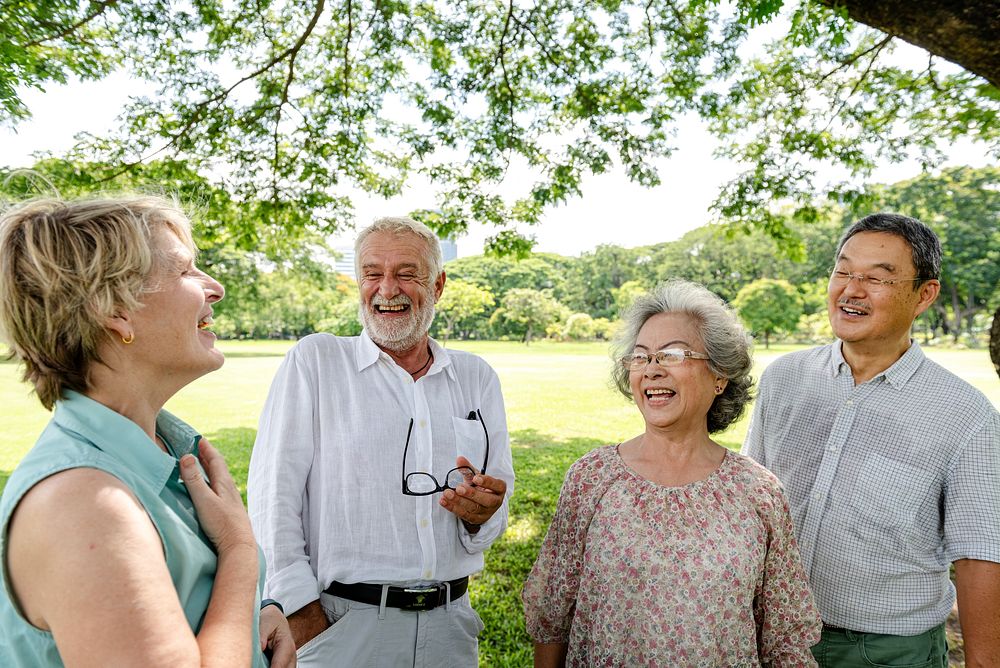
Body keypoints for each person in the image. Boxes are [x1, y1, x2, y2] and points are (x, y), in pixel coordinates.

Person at [0, 196, 295, 667]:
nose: (214, 287)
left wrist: (258, 611)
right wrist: (239, 552)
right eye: (185, 272)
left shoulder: (163, 453)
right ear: (115, 310)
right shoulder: (85, 503)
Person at [247, 216, 515, 667]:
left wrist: (479, 516)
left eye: (407, 274)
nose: (387, 289)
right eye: (373, 273)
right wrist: (300, 611)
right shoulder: (316, 361)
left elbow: (496, 504)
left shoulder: (476, 377)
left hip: (450, 629)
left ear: (438, 285)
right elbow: (273, 498)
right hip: (341, 627)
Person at [743, 213, 1000, 667]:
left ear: (925, 294)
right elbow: (752, 502)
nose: (851, 290)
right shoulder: (785, 378)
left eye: (877, 278)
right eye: (843, 271)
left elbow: (980, 556)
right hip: (771, 637)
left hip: (885, 652)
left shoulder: (966, 415)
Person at [522, 279, 821, 667]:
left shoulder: (758, 491)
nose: (652, 370)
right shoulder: (591, 478)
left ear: (719, 375)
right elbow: (552, 617)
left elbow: (785, 638)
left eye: (673, 354)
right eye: (641, 357)